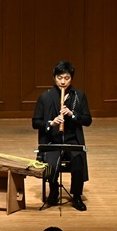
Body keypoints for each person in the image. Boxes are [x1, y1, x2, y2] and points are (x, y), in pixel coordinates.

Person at [32, 61, 91, 211]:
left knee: (78, 162)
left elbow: (87, 120)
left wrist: (72, 114)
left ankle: (77, 196)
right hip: (52, 141)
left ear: (71, 78)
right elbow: (35, 122)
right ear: (54, 78)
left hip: (72, 140)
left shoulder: (79, 95)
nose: (63, 81)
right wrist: (51, 123)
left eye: (67, 78)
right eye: (59, 77)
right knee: (51, 165)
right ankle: (53, 192)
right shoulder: (45, 97)